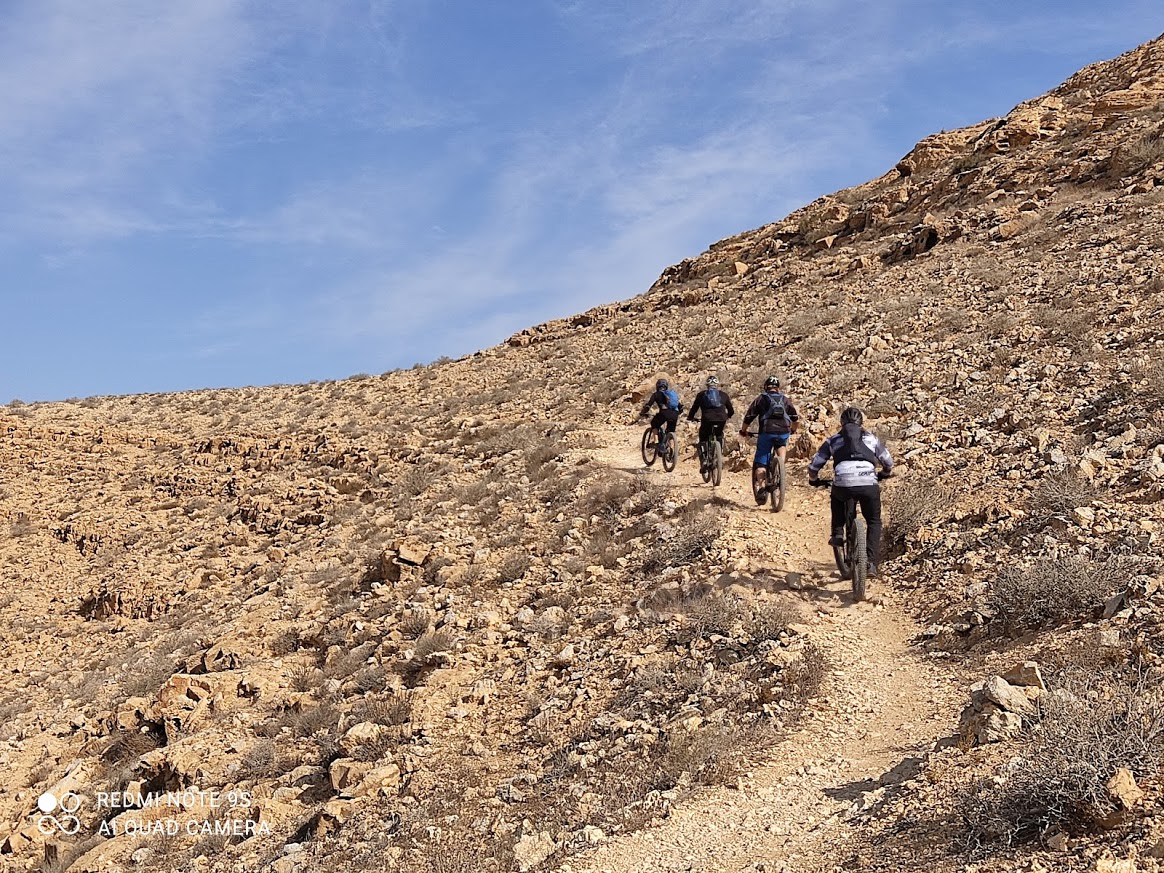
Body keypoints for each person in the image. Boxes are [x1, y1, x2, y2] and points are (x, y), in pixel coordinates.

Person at [808, 406, 894, 577]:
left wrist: (814, 479)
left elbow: (816, 463)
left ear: (841, 423)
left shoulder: (834, 440)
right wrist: (884, 474)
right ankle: (870, 563)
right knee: (874, 521)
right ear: (861, 422)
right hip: (868, 483)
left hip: (843, 482)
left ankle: (838, 533)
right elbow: (888, 461)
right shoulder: (871, 439)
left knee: (837, 497)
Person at [740, 375, 799, 504]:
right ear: (778, 388)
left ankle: (761, 487)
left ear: (766, 387)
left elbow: (749, 416)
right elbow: (795, 417)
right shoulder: (785, 399)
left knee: (761, 460)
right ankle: (780, 469)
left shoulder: (761, 398)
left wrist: (743, 431)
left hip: (767, 432)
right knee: (781, 445)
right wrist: (793, 429)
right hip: (784, 431)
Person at [688, 376, 735, 472]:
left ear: (707, 385)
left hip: (707, 419)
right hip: (721, 419)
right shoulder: (723, 395)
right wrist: (728, 416)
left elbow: (694, 408)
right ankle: (719, 455)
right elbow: (731, 410)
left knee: (703, 438)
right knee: (719, 435)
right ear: (716, 385)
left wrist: (691, 417)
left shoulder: (701, 395)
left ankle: (704, 459)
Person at [638, 378, 683, 444]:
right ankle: (672, 450)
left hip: (664, 413)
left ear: (657, 386)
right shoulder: (670, 395)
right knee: (670, 431)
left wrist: (642, 413)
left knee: (654, 424)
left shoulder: (656, 394)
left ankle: (656, 441)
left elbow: (648, 406)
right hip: (674, 414)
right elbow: (680, 407)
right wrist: (677, 413)